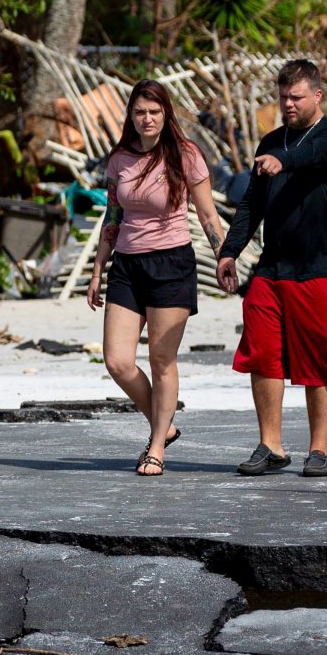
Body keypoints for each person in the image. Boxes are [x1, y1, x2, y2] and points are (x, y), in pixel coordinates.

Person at [214, 59, 327, 478]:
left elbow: (311, 156)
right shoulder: (271, 141)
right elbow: (253, 204)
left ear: (317, 96)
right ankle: (271, 445)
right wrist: (229, 250)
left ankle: (319, 449)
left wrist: (283, 161)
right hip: (272, 269)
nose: (288, 104)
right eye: (282, 98)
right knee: (262, 354)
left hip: (323, 269)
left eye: (296, 97)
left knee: (321, 362)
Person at [88, 79, 229, 476]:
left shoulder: (186, 155)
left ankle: (156, 447)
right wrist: (98, 268)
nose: (146, 119)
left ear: (166, 115)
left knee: (161, 359)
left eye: (154, 111)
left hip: (171, 265)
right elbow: (113, 216)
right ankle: (163, 425)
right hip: (128, 267)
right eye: (139, 112)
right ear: (130, 116)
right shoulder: (119, 159)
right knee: (117, 361)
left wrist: (223, 257)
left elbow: (206, 215)